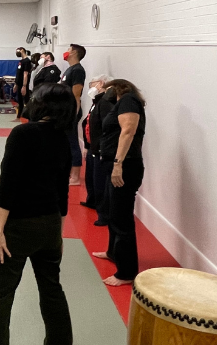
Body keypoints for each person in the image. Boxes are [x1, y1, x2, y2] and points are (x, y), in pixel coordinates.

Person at [0, 83, 76, 345]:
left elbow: (8, 185)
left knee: (0, 296)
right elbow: (62, 191)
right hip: (50, 225)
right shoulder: (63, 139)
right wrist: (60, 234)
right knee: (51, 288)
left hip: (20, 227)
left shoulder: (22, 134)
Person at [91, 79, 147, 287]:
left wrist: (118, 164)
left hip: (125, 168)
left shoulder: (128, 101)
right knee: (113, 212)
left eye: (107, 90)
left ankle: (127, 272)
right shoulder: (122, 103)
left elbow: (128, 130)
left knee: (121, 218)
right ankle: (113, 252)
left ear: (118, 89)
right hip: (114, 165)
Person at [81, 76, 115, 229]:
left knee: (100, 182)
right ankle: (92, 200)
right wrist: (87, 144)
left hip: (101, 148)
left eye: (92, 84)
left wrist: (102, 148)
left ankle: (103, 214)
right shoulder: (96, 102)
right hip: (92, 145)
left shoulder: (106, 103)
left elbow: (106, 127)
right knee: (91, 178)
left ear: (101, 84)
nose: (90, 87)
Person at [60, 44, 88, 186]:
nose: (66, 51)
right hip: (64, 110)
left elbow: (76, 94)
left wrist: (73, 114)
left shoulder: (78, 70)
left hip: (72, 110)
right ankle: (69, 171)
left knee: (72, 142)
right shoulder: (69, 70)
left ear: (74, 53)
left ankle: (76, 177)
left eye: (68, 49)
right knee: (64, 142)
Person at [14, 47, 33, 119]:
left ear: (22, 51)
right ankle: (19, 116)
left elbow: (25, 74)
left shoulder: (27, 61)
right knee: (20, 101)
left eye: (18, 51)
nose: (17, 52)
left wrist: (24, 86)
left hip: (23, 85)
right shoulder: (21, 61)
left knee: (26, 101)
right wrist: (16, 84)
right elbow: (19, 73)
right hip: (19, 84)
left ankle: (28, 117)